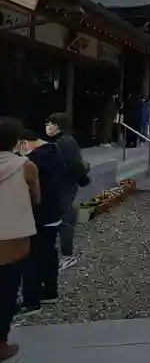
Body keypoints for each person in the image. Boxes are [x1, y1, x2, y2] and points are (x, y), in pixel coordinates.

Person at [0, 118, 40, 361]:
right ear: (16, 140)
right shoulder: (26, 166)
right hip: (13, 240)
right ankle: (1, 343)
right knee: (6, 292)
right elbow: (36, 198)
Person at [17, 129, 68, 315]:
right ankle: (50, 291)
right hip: (54, 212)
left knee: (32, 258)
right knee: (48, 253)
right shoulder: (55, 151)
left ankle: (32, 301)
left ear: (23, 142)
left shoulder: (34, 161)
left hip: (37, 215)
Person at [45, 113, 86, 271]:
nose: (48, 126)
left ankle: (68, 256)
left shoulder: (65, 141)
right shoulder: (60, 140)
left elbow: (74, 164)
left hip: (65, 186)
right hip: (60, 186)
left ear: (59, 125)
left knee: (65, 221)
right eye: (47, 123)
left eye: (52, 123)